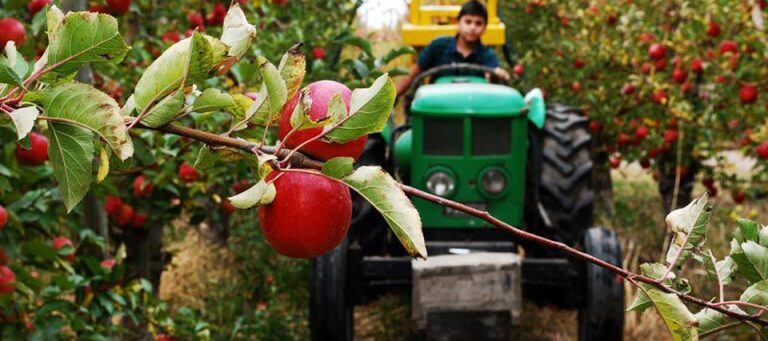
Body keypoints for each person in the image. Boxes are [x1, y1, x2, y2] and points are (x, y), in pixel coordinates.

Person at [395, 0, 511, 97]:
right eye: (468, 22)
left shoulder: (487, 55)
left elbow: (494, 81)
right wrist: (391, 100)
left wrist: (498, 76)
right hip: (437, 108)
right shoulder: (438, 46)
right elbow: (412, 75)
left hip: (473, 109)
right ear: (458, 23)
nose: (472, 28)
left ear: (485, 28)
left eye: (478, 23)